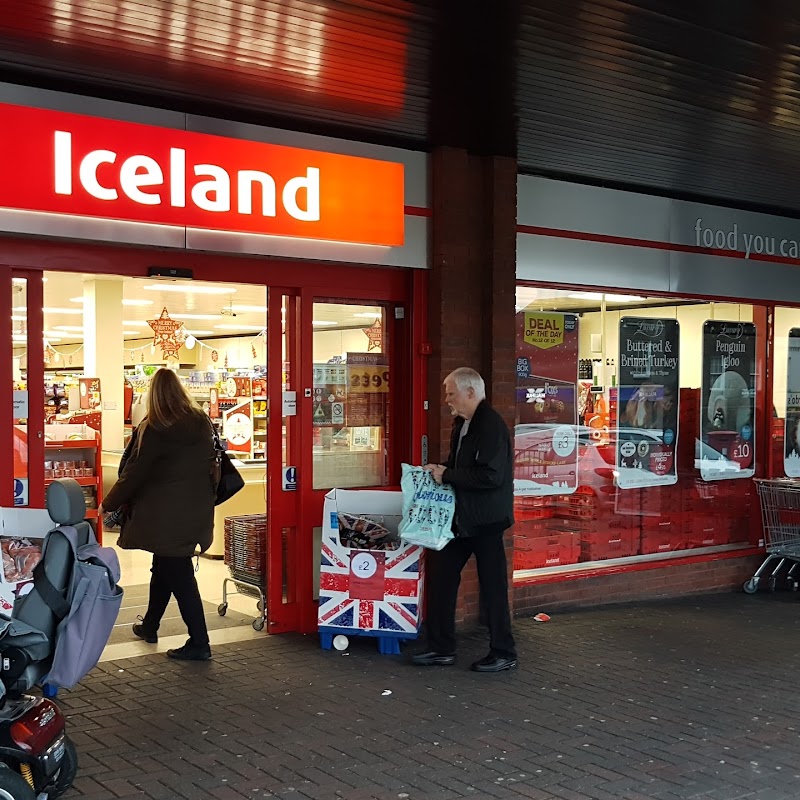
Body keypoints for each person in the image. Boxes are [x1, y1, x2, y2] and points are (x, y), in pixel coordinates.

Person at [101, 368, 216, 661]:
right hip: (195, 509)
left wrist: (109, 503)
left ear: (152, 396)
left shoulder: (156, 427)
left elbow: (134, 473)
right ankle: (150, 625)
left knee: (180, 576)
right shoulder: (201, 421)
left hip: (165, 515)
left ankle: (200, 643)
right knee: (164, 567)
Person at [413, 367, 517, 673]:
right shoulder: (462, 424)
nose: (446, 399)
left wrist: (449, 474)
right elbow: (462, 466)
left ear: (470, 392)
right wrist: (440, 469)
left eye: (450, 393)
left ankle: (503, 651)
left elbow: (491, 475)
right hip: (461, 520)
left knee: (493, 588)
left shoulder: (491, 425)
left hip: (486, 522)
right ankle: (441, 648)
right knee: (441, 578)